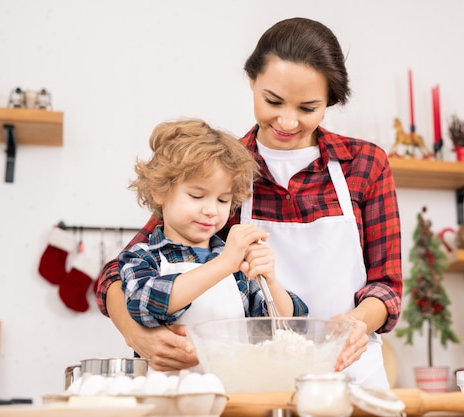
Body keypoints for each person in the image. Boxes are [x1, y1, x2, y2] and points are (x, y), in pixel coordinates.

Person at [95, 17, 402, 388]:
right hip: (258, 377)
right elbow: (117, 273)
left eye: (308, 108)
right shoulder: (223, 169)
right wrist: (137, 336)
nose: (287, 121)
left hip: (351, 370)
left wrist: (355, 324)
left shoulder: (365, 164)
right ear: (251, 80)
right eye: (273, 101)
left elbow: (386, 286)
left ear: (330, 102)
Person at [118, 118, 308, 330]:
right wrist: (223, 264)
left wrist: (270, 282)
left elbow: (291, 326)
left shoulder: (238, 266)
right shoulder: (141, 257)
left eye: (223, 200)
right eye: (197, 196)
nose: (211, 210)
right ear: (159, 191)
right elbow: (144, 306)